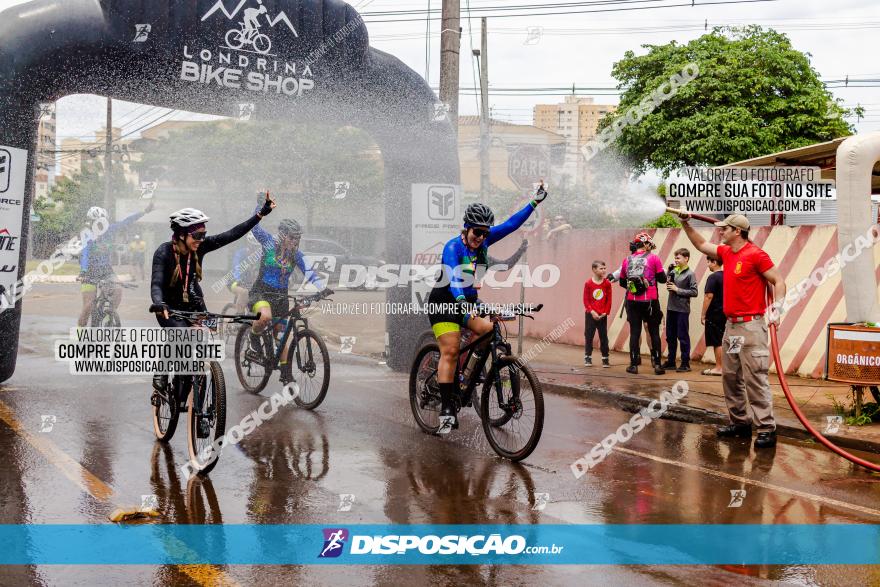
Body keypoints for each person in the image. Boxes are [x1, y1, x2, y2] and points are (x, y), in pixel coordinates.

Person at [427, 185, 547, 433]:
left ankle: (467, 376)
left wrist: (534, 202)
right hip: (444, 302)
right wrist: (462, 302)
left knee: (489, 330)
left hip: (467, 301)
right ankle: (447, 409)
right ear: (466, 228)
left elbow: (512, 224)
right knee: (450, 350)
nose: (480, 237)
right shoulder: (453, 248)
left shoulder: (484, 242)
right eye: (476, 232)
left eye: (484, 233)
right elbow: (455, 281)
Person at [679, 213, 787, 448]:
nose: (720, 232)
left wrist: (777, 309)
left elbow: (779, 281)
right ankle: (740, 423)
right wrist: (685, 223)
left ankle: (767, 428)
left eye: (724, 229)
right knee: (730, 376)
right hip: (732, 326)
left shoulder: (756, 255)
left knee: (755, 378)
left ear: (737, 231)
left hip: (751, 326)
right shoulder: (727, 253)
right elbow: (700, 244)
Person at [150, 194, 276, 393]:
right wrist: (158, 302)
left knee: (207, 332)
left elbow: (232, 234)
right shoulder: (163, 252)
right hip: (167, 308)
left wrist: (260, 215)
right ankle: (163, 370)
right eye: (197, 235)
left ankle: (196, 380)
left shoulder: (200, 248)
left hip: (193, 302)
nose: (201, 240)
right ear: (182, 234)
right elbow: (156, 283)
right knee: (181, 334)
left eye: (203, 234)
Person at [246, 208, 333, 364]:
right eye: (292, 237)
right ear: (282, 235)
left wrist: (322, 289)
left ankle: (286, 374)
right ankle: (253, 336)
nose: (295, 241)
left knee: (280, 336)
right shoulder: (269, 244)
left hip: (281, 296)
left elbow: (309, 272)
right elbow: (255, 227)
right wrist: (259, 206)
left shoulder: (296, 255)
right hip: (262, 292)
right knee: (265, 317)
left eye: (297, 238)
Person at [78, 201, 153, 327]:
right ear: (91, 222)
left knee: (118, 291)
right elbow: (85, 253)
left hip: (106, 270)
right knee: (88, 306)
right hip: (89, 272)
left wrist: (144, 212)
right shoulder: (87, 234)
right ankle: (81, 336)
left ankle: (107, 316)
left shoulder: (110, 230)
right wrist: (84, 271)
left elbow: (126, 221)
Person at [618, 232, 667, 375]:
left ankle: (633, 365)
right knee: (653, 332)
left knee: (634, 332)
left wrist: (634, 288)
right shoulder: (654, 258)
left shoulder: (627, 260)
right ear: (646, 244)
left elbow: (622, 282)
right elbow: (662, 279)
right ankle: (657, 365)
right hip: (650, 301)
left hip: (632, 301)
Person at [662, 248, 698, 372]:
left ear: (686, 258)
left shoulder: (690, 274)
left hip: (682, 310)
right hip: (671, 307)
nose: (676, 260)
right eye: (675, 258)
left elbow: (694, 292)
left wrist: (678, 290)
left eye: (678, 258)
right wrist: (668, 272)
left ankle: (685, 364)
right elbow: (669, 284)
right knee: (670, 336)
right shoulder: (674, 270)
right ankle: (671, 361)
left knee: (682, 337)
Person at [583, 260, 612, 367]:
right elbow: (586, 300)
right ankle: (588, 357)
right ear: (594, 270)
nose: (604, 270)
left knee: (603, 337)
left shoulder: (607, 284)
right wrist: (592, 311)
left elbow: (609, 300)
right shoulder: (588, 283)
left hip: (602, 315)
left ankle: (605, 358)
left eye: (605, 268)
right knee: (589, 336)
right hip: (591, 315)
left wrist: (605, 312)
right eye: (601, 268)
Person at [701, 255, 725, 376]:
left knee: (717, 341)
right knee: (728, 340)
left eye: (709, 262)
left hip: (715, 314)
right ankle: (729, 368)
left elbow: (708, 296)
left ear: (714, 262)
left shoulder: (713, 277)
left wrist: (703, 314)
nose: (708, 265)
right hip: (727, 313)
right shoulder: (728, 276)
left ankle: (719, 368)